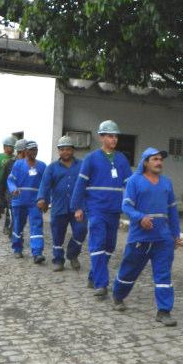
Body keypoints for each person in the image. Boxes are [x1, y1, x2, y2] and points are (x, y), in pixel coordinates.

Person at [112, 147, 181, 326]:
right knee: (128, 271)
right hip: (139, 239)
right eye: (155, 159)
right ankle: (118, 295)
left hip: (163, 239)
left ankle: (164, 311)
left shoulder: (167, 182)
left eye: (161, 159)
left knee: (163, 276)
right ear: (145, 162)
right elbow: (126, 207)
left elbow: (173, 210)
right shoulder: (134, 181)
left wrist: (176, 234)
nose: (159, 162)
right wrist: (140, 217)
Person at [70, 120, 132, 298]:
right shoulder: (91, 159)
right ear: (101, 137)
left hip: (114, 210)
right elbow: (80, 184)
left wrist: (135, 204)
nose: (114, 139)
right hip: (95, 209)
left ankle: (94, 276)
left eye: (116, 136)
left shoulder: (121, 159)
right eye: (110, 136)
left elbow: (130, 184)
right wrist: (78, 207)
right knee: (97, 244)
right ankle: (101, 284)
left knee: (109, 246)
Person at [37, 136, 86, 272]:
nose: (66, 152)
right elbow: (45, 185)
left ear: (73, 150)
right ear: (59, 151)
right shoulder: (51, 168)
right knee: (58, 235)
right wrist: (42, 199)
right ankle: (58, 260)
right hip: (59, 206)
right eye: (62, 149)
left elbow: (88, 183)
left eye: (68, 149)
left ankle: (72, 254)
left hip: (78, 207)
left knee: (81, 231)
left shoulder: (82, 165)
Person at [8, 140, 46, 263]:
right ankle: (17, 248)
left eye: (35, 150)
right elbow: (10, 181)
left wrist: (45, 200)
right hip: (19, 201)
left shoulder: (42, 166)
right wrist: (13, 189)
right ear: (25, 151)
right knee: (18, 225)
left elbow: (45, 185)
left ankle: (37, 252)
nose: (33, 152)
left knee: (36, 226)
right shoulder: (18, 165)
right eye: (30, 150)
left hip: (35, 202)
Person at [0, 139, 26, 236]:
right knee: (13, 213)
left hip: (25, 194)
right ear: (21, 151)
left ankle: (14, 230)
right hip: (11, 194)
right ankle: (13, 232)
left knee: (20, 215)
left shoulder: (31, 164)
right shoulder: (10, 163)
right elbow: (3, 180)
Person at [0, 136, 17, 230]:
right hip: (0, 184)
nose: (13, 149)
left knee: (10, 206)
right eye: (11, 146)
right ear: (5, 146)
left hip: (11, 186)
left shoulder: (15, 159)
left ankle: (7, 227)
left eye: (14, 147)